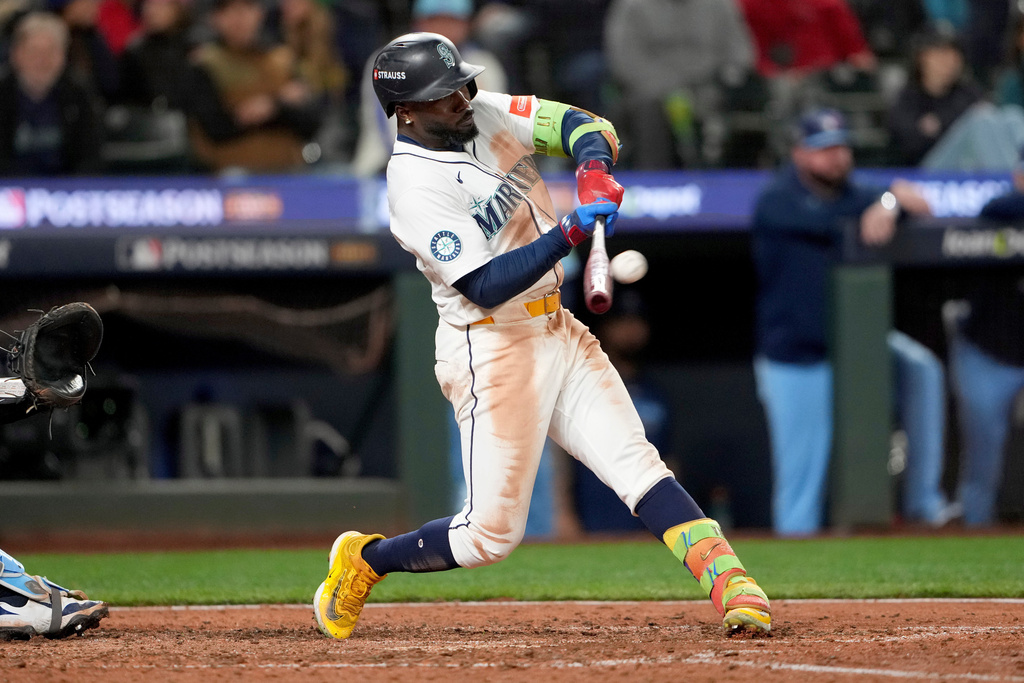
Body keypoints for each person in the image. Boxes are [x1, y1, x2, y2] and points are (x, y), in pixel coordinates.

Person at [313, 31, 771, 640]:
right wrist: (570, 233)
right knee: (489, 537)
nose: (464, 97)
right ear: (407, 110)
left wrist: (592, 171)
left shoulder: (486, 111)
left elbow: (585, 123)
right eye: (446, 94)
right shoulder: (413, 184)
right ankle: (365, 561)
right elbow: (484, 283)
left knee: (635, 464)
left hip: (559, 325)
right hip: (491, 346)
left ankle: (732, 583)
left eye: (463, 84)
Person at [752, 107, 953, 536]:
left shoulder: (856, 193)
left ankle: (924, 503)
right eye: (824, 149)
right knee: (801, 479)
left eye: (841, 147)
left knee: (923, 370)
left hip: (856, 347)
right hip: (796, 357)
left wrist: (888, 201)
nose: (836, 157)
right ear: (800, 153)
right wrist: (881, 204)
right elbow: (836, 224)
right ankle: (795, 565)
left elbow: (918, 200)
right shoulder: (777, 200)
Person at [945, 150, 1024, 526]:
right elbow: (1000, 205)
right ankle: (973, 537)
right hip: (987, 353)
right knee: (982, 463)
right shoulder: (1000, 212)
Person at [350, 0, 506, 178]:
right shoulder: (390, 60)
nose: (443, 28)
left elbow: (490, 129)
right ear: (418, 23)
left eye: (452, 20)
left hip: (469, 169)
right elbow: (393, 128)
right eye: (435, 20)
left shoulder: (485, 65)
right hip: (384, 166)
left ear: (467, 24)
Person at [603, 0, 756, 169]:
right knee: (648, 109)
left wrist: (724, 80)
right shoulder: (632, 6)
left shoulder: (720, 5)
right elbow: (626, 60)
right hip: (652, 90)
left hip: (709, 87)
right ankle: (655, 183)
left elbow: (740, 53)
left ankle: (730, 183)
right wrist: (669, 87)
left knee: (742, 106)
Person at [185, 0, 322, 173]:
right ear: (215, 18)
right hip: (229, 173)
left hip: (289, 170)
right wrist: (283, 105)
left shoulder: (282, 59)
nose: (239, 18)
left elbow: (311, 120)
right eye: (229, 11)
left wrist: (272, 107)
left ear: (259, 13)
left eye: (246, 9)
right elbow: (217, 128)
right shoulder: (204, 64)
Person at [887, 28, 1024, 171]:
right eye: (942, 53)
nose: (950, 61)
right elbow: (909, 144)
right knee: (980, 121)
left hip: (965, 168)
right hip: (924, 175)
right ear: (922, 57)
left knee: (1012, 116)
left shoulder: (967, 91)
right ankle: (1012, 183)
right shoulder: (908, 97)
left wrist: (939, 123)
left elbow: (989, 125)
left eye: (954, 54)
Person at [0, 11, 103, 176]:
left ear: (63, 56)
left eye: (51, 52)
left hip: (67, 190)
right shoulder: (3, 92)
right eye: (34, 51)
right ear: (16, 55)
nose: (42, 60)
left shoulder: (79, 93)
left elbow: (91, 154)